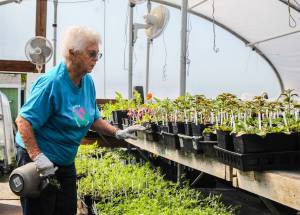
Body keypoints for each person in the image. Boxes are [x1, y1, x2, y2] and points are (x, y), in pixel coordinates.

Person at [15, 26, 144, 215]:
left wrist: (117, 132)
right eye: (91, 54)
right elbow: (23, 121)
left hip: (64, 162)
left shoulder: (87, 82)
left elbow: (90, 118)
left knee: (66, 210)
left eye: (98, 55)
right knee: (41, 210)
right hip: (37, 158)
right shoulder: (52, 83)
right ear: (72, 53)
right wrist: (38, 157)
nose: (96, 59)